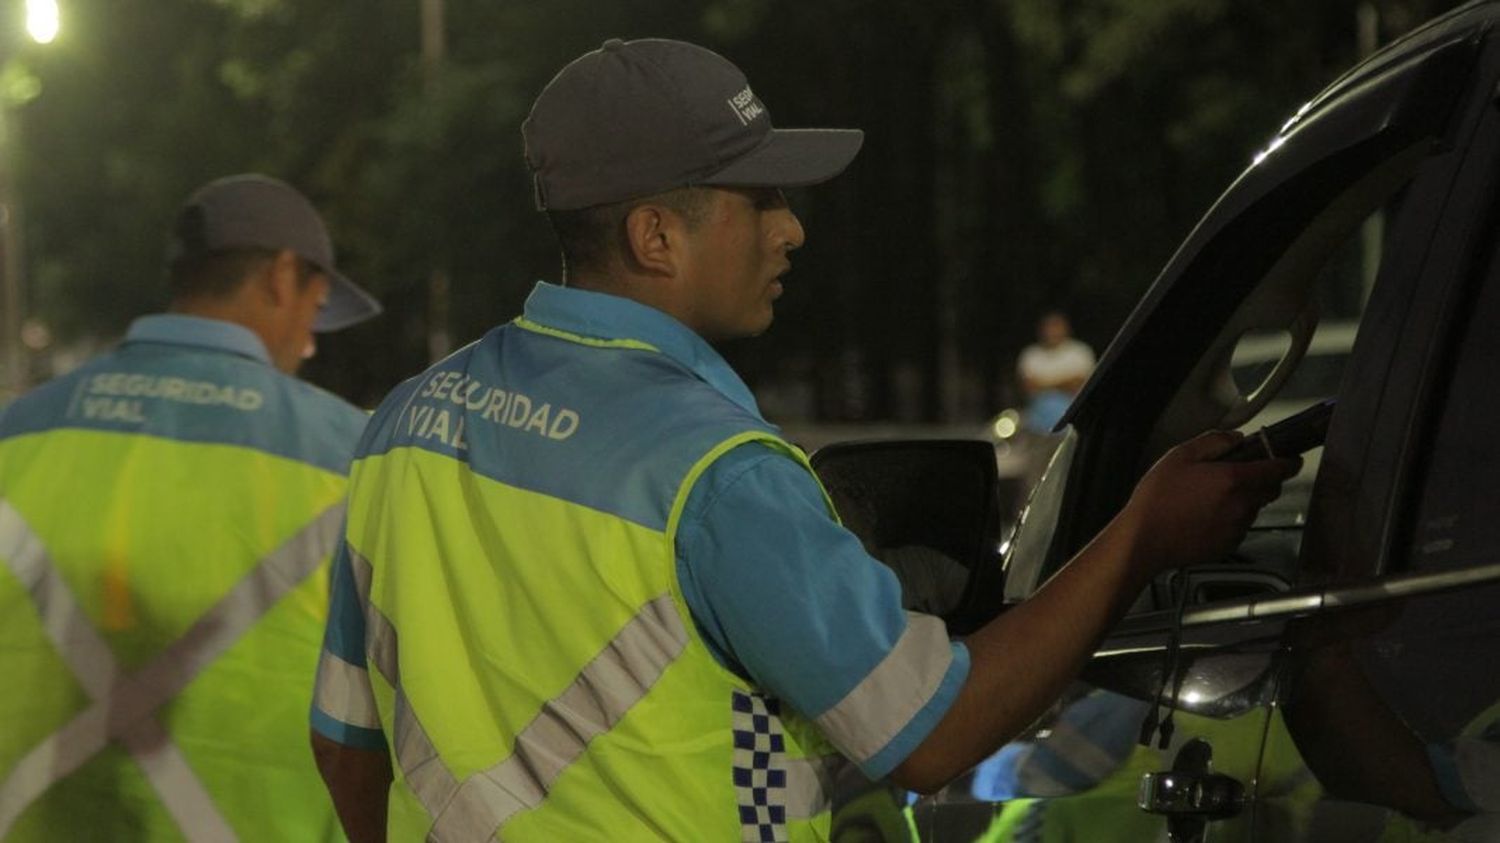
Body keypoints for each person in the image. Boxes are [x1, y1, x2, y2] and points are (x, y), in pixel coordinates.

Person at [309, 38, 1297, 842]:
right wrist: (1140, 538)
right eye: (762, 200)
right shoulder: (716, 475)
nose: (792, 231)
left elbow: (348, 741)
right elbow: (930, 732)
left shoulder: (408, 421)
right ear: (658, 237)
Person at [0, 173, 381, 840]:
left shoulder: (16, 432)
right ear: (283, 278)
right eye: (316, 309)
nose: (311, 341)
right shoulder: (356, 455)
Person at [1017, 311, 1095, 436]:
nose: (1052, 332)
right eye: (1049, 327)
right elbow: (1029, 387)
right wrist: (1063, 382)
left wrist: (1043, 383)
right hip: (1037, 421)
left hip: (1073, 417)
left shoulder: (1080, 352)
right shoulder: (1030, 354)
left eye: (1056, 327)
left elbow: (1077, 384)